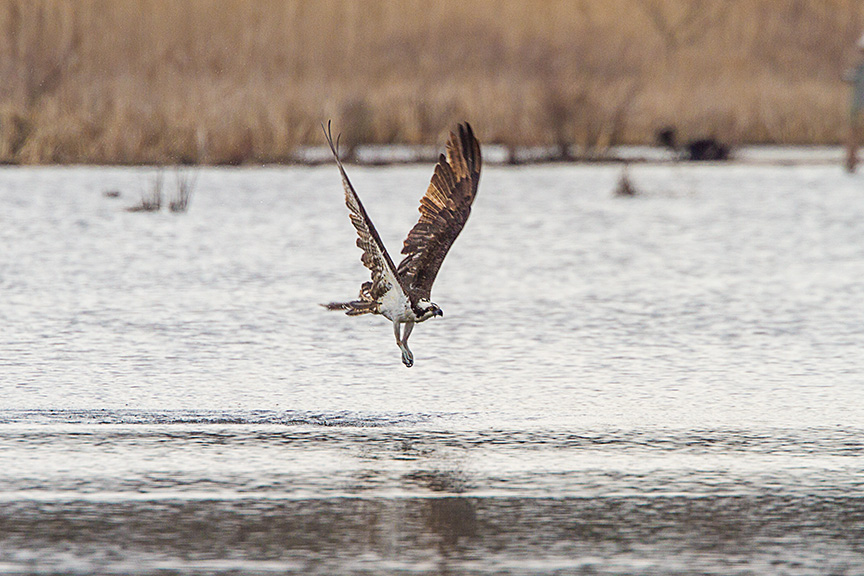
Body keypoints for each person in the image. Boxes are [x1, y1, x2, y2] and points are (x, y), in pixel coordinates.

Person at [844, 34, 864, 172]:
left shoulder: (860, 68)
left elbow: (848, 78)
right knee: (853, 131)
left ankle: (851, 159)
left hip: (857, 106)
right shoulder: (860, 68)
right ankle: (851, 159)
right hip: (857, 106)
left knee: (854, 131)